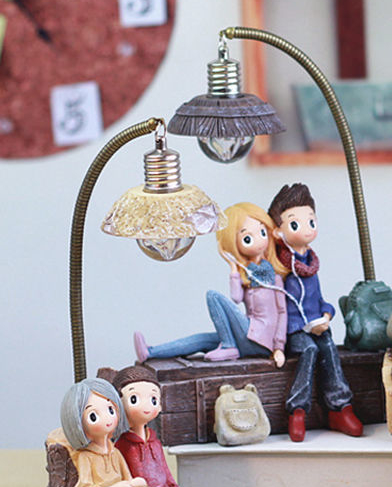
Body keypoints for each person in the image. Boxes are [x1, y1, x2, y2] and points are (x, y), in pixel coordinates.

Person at [134, 202, 288, 366]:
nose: (259, 241)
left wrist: (279, 347)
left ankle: (228, 345)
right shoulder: (247, 275)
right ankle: (150, 352)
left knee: (213, 296)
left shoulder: (274, 278)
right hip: (247, 334)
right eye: (248, 239)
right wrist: (234, 269)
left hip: (262, 341)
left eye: (262, 232)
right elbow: (236, 298)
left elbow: (282, 312)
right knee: (203, 340)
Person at [268, 182, 362, 443]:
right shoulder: (280, 268)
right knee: (309, 350)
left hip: (316, 324)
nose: (308, 228)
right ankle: (297, 410)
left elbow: (319, 300)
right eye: (295, 223)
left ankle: (340, 408)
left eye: (311, 221)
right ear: (278, 231)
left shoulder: (310, 263)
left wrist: (326, 316)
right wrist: (300, 329)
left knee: (328, 346)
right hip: (293, 330)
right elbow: (280, 308)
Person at [113, 366, 215, 487]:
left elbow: (168, 478)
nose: (147, 406)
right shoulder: (122, 446)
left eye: (153, 399)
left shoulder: (155, 442)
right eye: (134, 399)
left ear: (159, 406)